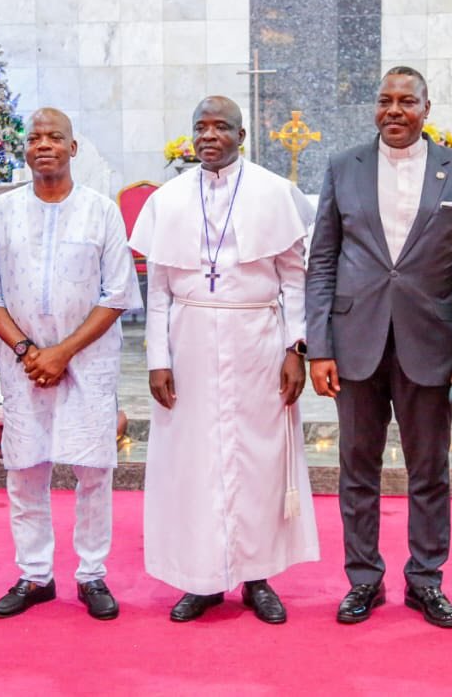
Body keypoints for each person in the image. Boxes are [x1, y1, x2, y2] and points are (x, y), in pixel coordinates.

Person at [306, 66, 452, 627]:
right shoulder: (344, 168)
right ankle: (363, 580)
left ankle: (426, 581)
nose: (394, 111)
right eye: (384, 101)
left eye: (407, 102)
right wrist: (319, 346)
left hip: (430, 344)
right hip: (355, 342)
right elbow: (323, 261)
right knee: (356, 468)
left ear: (427, 108)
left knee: (429, 470)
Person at [130, 96, 319, 625]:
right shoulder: (168, 200)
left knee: (257, 460)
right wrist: (157, 359)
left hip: (258, 338)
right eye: (200, 127)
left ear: (241, 135)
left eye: (221, 127)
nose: (209, 136)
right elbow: (160, 289)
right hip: (189, 340)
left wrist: (295, 349)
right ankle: (201, 578)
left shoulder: (273, 193)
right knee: (194, 462)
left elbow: (294, 279)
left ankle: (257, 576)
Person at [0, 108, 140, 620]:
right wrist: (25, 350)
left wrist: (62, 352)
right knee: (25, 469)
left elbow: (117, 294)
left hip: (88, 362)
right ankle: (35, 574)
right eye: (35, 137)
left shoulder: (101, 211)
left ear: (72, 148)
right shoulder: (0, 213)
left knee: (93, 469)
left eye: (54, 137)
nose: (44, 145)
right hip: (23, 363)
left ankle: (91, 575)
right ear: (25, 149)